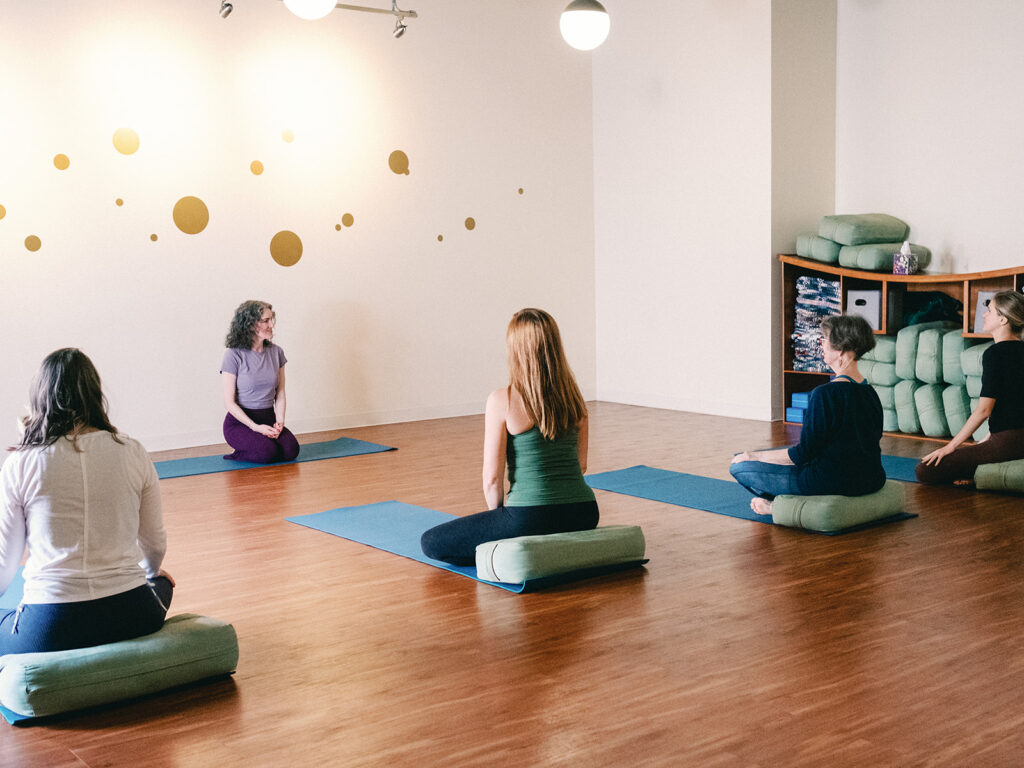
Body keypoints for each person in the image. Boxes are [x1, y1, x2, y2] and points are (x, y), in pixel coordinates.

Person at [0, 349, 173, 654]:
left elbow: (6, 562)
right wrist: (151, 572)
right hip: (134, 614)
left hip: (51, 626)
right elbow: (155, 543)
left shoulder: (21, 463)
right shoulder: (133, 451)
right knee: (163, 584)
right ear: (95, 394)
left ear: (40, 398)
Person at [421, 308, 599, 565]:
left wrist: (500, 526)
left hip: (529, 517)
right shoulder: (575, 400)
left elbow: (492, 480)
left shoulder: (502, 400)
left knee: (431, 542)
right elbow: (581, 465)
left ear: (515, 351)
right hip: (584, 513)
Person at [730, 314, 886, 516]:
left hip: (830, 481)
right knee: (751, 459)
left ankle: (777, 507)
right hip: (871, 479)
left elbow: (802, 455)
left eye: (825, 340)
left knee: (739, 465)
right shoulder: (870, 393)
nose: (821, 344)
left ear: (841, 350)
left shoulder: (824, 394)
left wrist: (755, 455)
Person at [916, 290, 1024, 484]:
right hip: (1012, 439)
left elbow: (984, 410)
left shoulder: (994, 354)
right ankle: (983, 472)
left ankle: (982, 475)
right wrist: (987, 441)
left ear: (1003, 320)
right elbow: (1014, 402)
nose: (984, 314)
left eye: (989, 311)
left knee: (924, 470)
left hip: (1009, 443)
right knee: (978, 451)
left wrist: (951, 446)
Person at [221, 300, 300, 464]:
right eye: (266, 320)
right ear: (250, 325)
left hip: (268, 418)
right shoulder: (233, 354)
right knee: (267, 453)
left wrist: (279, 421)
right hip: (240, 423)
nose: (272, 324)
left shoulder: (276, 352)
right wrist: (255, 427)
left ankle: (261, 444)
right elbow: (229, 403)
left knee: (291, 451)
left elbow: (280, 393)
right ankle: (239, 453)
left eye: (272, 319)